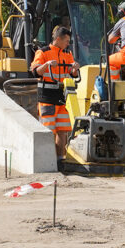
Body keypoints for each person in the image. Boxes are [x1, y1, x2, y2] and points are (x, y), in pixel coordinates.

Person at [31, 25, 80, 160]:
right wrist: (47, 65)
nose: (68, 44)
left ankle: (60, 160)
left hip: (61, 97)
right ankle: (46, 160)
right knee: (48, 131)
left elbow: (72, 73)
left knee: (63, 130)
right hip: (47, 97)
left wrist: (75, 68)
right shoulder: (43, 52)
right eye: (66, 41)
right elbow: (35, 71)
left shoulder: (67, 54)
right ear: (58, 39)